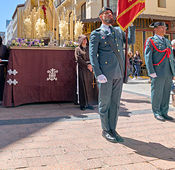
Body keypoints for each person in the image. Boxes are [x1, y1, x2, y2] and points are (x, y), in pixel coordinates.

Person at [89, 7, 135, 143]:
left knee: (115, 104)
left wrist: (131, 25)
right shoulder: (96, 33)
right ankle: (105, 130)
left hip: (118, 73)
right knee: (105, 103)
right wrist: (98, 73)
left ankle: (113, 129)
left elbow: (130, 41)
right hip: (105, 75)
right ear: (100, 17)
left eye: (110, 13)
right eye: (106, 13)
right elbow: (92, 55)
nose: (110, 15)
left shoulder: (118, 31)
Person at [144, 22, 175, 121]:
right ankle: (157, 112)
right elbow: (148, 57)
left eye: (164, 27)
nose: (164, 29)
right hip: (157, 71)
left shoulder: (167, 41)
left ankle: (164, 112)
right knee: (157, 93)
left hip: (168, 72)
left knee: (166, 93)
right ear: (155, 29)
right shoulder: (151, 40)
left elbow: (171, 58)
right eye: (161, 27)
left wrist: (173, 72)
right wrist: (151, 72)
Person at [75, 35, 98, 110]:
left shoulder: (90, 48)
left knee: (90, 86)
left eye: (86, 39)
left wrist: (91, 65)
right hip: (82, 69)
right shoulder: (77, 49)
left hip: (90, 69)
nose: (85, 40)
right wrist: (86, 65)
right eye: (83, 39)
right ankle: (82, 104)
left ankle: (89, 103)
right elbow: (78, 58)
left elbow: (93, 56)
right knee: (82, 86)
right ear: (80, 40)